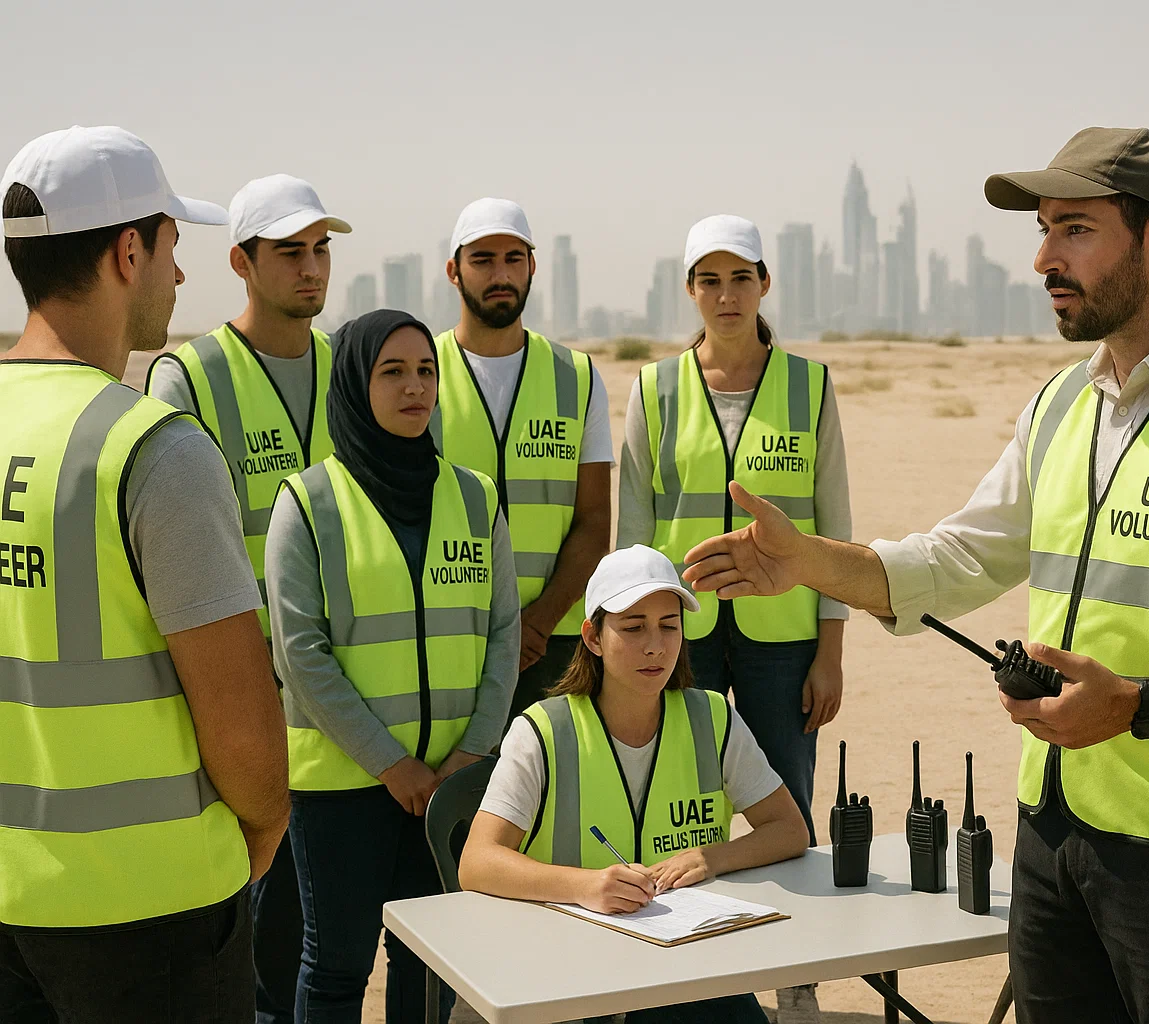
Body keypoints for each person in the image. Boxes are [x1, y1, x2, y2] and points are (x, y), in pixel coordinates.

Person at [682, 128, 1149, 1024]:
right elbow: (961, 556)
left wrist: (1141, 704)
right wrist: (812, 563)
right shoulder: (1061, 406)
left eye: (1075, 230)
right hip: (1052, 836)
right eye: (1044, 230)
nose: (1045, 258)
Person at [0, 126, 289, 1021]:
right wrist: (261, 830)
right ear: (129, 252)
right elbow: (246, 743)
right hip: (152, 915)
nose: (181, 274)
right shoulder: (152, 450)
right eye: (171, 246)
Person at [619, 214, 851, 1023]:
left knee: (786, 797)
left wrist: (831, 651)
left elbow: (835, 529)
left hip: (784, 640)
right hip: (677, 634)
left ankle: (796, 970)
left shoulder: (809, 387)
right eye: (710, 281)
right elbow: (635, 528)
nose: (726, 296)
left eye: (740, 278)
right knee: (685, 796)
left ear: (764, 284)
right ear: (689, 290)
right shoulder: (654, 389)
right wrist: (633, 635)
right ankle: (698, 959)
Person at [264, 309, 519, 1023]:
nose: (415, 388)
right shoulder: (308, 503)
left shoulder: (475, 497)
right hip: (343, 786)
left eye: (426, 371)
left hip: (450, 780)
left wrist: (472, 752)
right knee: (336, 966)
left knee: (430, 965)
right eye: (393, 372)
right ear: (355, 383)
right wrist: (390, 764)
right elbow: (299, 652)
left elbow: (503, 631)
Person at [147, 170, 349, 1024]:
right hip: (246, 696)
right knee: (258, 934)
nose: (311, 267)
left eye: (321, 249)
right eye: (289, 251)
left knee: (327, 935)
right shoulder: (189, 378)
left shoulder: (349, 370)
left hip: (340, 700)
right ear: (240, 261)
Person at [459, 544, 809, 1024]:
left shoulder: (713, 717)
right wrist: (584, 886)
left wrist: (710, 858)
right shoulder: (541, 731)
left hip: (690, 966)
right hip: (568, 973)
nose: (655, 646)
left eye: (669, 626)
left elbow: (789, 829)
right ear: (593, 637)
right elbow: (477, 861)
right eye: (633, 627)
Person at [433, 198, 612, 719]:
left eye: (514, 259)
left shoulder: (576, 377)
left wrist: (537, 624)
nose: (501, 274)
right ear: (454, 271)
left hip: (557, 642)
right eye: (483, 260)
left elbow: (594, 520)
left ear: (532, 267)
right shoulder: (420, 371)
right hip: (447, 641)